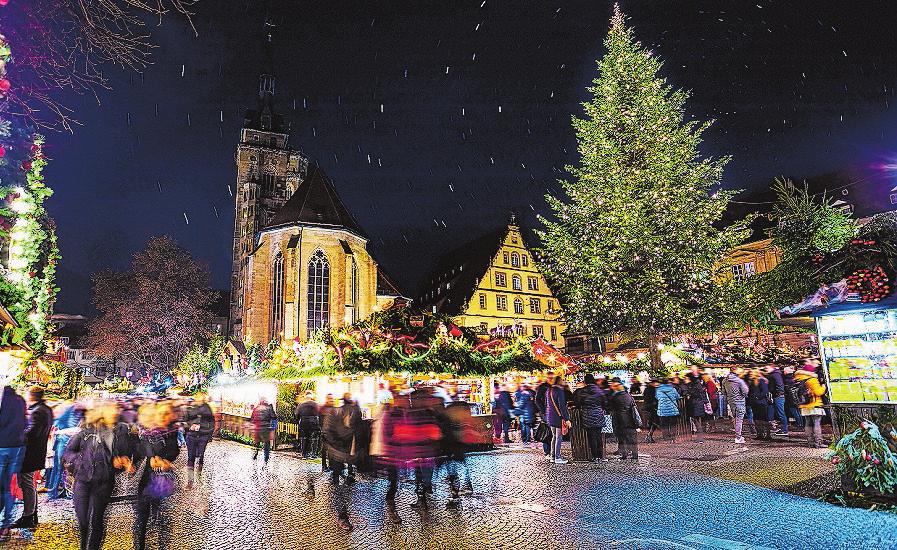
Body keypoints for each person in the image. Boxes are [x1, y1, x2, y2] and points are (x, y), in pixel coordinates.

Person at [63, 402, 133, 550]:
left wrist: (121, 461)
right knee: (82, 520)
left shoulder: (120, 432)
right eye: (111, 411)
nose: (114, 414)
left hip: (104, 482)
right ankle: (83, 546)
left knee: (97, 520)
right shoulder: (85, 433)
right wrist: (79, 462)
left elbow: (126, 454)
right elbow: (69, 452)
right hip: (83, 480)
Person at [132, 402, 180, 550]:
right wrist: (150, 456)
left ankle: (162, 544)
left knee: (162, 517)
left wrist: (165, 460)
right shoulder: (137, 433)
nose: (147, 418)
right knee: (141, 517)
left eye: (150, 414)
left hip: (162, 479)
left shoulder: (168, 431)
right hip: (144, 479)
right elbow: (136, 451)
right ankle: (139, 546)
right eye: (144, 415)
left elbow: (174, 450)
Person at [13, 386, 54, 529]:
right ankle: (32, 514)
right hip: (36, 452)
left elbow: (31, 432)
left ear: (33, 395)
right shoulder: (45, 409)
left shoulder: (38, 411)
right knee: (29, 483)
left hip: (30, 453)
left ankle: (28, 516)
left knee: (27, 484)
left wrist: (16, 433)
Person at [0, 384, 26, 542]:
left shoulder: (3, 401)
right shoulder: (20, 401)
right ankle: (6, 524)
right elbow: (25, 423)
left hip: (2, 446)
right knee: (9, 486)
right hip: (17, 447)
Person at [47, 403, 84, 500]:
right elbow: (59, 424)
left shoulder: (78, 411)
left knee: (62, 469)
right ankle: (53, 492)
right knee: (60, 469)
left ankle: (60, 491)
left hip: (68, 443)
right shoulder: (71, 411)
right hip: (65, 443)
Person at [573, 374, 607, 461]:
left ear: (585, 381)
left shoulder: (582, 391)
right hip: (599, 414)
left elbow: (577, 404)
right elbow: (605, 403)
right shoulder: (599, 390)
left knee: (591, 436)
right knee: (599, 436)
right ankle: (600, 456)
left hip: (587, 415)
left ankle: (594, 456)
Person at [184, 394, 215, 487]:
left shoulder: (207, 408)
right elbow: (185, 420)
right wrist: (190, 426)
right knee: (190, 457)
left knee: (201, 455)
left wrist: (205, 431)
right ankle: (190, 481)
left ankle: (199, 475)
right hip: (191, 436)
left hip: (202, 436)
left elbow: (212, 423)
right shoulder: (191, 408)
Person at [794, 361, 827, 448]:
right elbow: (818, 392)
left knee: (808, 423)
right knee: (816, 423)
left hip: (804, 405)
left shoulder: (799, 379)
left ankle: (810, 442)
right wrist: (823, 386)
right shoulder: (812, 379)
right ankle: (818, 443)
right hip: (814, 404)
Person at [607, 378, 640, 460]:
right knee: (632, 439)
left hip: (620, 420)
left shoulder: (615, 397)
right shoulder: (629, 396)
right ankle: (635, 455)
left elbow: (609, 407)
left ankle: (624, 454)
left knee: (622, 438)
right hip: (631, 420)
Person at [544, 376, 570, 463]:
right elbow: (562, 406)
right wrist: (566, 419)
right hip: (557, 417)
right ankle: (557, 457)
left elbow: (546, 404)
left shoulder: (549, 390)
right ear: (559, 381)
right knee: (559, 437)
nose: (564, 381)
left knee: (554, 436)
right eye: (562, 380)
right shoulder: (559, 391)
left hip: (550, 416)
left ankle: (552, 456)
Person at [723, 366, 749, 444]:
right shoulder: (739, 381)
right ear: (736, 371)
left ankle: (738, 435)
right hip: (740, 401)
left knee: (735, 419)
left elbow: (724, 392)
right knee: (739, 420)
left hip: (731, 402)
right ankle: (738, 437)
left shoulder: (725, 380)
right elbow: (745, 391)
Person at [682, 374, 709, 443]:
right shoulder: (696, 384)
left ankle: (700, 438)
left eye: (686, 378)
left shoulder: (693, 386)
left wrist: (689, 394)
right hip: (697, 405)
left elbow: (696, 394)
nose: (685, 380)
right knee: (697, 421)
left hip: (695, 405)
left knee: (697, 421)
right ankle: (700, 437)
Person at [250, 398, 277, 463]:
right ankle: (266, 458)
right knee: (266, 443)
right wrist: (273, 428)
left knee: (257, 442)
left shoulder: (256, 408)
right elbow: (274, 417)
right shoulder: (269, 408)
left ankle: (255, 452)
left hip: (257, 428)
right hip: (265, 428)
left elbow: (252, 418)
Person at [747, 369, 772, 441]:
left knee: (763, 419)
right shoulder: (752, 381)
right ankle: (760, 434)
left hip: (761, 403)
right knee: (756, 419)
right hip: (754, 403)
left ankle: (767, 434)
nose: (750, 374)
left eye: (752, 373)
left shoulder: (761, 380)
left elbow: (765, 391)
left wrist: (757, 397)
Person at [764, 365, 788, 435]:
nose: (766, 369)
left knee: (781, 413)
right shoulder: (775, 374)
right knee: (776, 412)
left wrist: (776, 393)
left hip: (778, 396)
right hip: (776, 395)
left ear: (772, 368)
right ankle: (781, 428)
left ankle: (784, 430)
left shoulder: (775, 375)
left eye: (767, 367)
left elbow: (779, 385)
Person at [295, 392, 321, 458]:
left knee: (304, 438)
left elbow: (297, 414)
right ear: (311, 397)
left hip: (303, 423)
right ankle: (313, 453)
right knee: (314, 439)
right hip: (314, 423)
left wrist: (298, 420)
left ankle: (304, 454)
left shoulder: (301, 405)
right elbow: (320, 413)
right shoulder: (316, 404)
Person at [655, 378, 681, 442]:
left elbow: (657, 397)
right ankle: (673, 437)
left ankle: (666, 438)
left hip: (662, 410)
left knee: (664, 425)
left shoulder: (658, 390)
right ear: (668, 383)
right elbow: (677, 397)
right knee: (673, 424)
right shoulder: (673, 389)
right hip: (673, 410)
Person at [782, 366, 805, 431]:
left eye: (784, 371)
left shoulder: (787, 380)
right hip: (797, 398)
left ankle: (799, 425)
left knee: (794, 411)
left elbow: (787, 389)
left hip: (791, 398)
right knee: (797, 412)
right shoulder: (795, 378)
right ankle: (801, 425)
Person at [318, 394, 336, 472]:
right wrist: (322, 430)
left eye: (332, 399)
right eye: (330, 399)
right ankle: (324, 465)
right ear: (327, 399)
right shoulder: (323, 408)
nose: (331, 400)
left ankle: (331, 465)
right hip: (325, 432)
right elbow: (320, 420)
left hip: (333, 432)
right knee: (325, 449)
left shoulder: (334, 408)